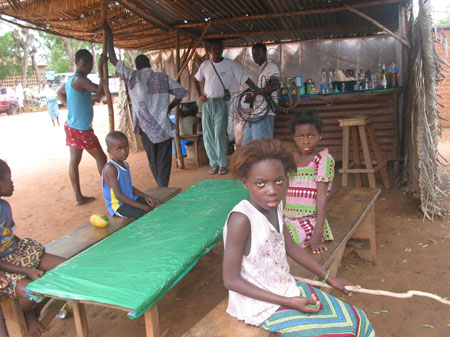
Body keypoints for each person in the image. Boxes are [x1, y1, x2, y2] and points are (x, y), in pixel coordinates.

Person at [223, 138, 375, 336]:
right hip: (259, 305)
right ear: (246, 183)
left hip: (285, 287)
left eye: (279, 181)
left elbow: (291, 246)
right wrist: (289, 302)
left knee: (359, 320)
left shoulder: (275, 206)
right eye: (261, 183)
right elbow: (231, 280)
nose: (272, 191)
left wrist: (329, 278)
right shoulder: (241, 220)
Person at [105, 24, 187, 187]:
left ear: (137, 65)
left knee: (153, 160)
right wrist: (169, 107)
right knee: (164, 160)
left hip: (145, 129)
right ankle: (163, 186)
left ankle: (160, 186)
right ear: (149, 64)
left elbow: (114, 60)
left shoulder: (132, 77)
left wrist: (109, 37)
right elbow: (181, 92)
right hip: (163, 127)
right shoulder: (162, 77)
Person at [0, 159, 66, 337]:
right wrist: (26, 270)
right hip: (2, 268)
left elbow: (9, 235)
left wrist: (28, 253)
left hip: (14, 253)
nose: (12, 182)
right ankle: (29, 313)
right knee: (32, 293)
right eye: (9, 179)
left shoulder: (4, 206)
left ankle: (39, 308)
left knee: (66, 267)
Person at [194, 39, 256, 176]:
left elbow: (244, 78)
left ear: (222, 50)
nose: (216, 51)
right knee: (208, 134)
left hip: (221, 102)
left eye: (219, 49)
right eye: (214, 49)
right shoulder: (205, 65)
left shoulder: (229, 64)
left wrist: (256, 89)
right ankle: (214, 163)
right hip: (206, 104)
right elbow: (195, 79)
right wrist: (200, 95)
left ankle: (222, 164)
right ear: (210, 51)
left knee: (219, 134)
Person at [57, 49, 108, 205]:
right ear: (77, 63)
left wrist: (70, 107)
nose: (87, 66)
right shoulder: (80, 80)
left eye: (90, 63)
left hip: (72, 126)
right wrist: (101, 70)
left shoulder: (73, 80)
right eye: (84, 63)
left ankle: (78, 197)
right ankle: (112, 191)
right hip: (82, 129)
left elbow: (59, 93)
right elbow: (100, 91)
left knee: (74, 161)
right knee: (102, 158)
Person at [283, 110, 334, 254]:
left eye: (311, 135)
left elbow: (322, 196)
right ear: (294, 137)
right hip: (288, 219)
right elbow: (286, 189)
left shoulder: (323, 159)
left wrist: (317, 234)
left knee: (284, 244)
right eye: (300, 136)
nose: (305, 141)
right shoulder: (292, 159)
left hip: (308, 221)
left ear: (320, 135)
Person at [102, 131, 160, 219]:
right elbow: (118, 195)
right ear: (109, 150)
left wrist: (147, 196)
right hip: (119, 206)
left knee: (155, 203)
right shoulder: (111, 169)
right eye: (119, 149)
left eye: (126, 147)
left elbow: (129, 187)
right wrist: (140, 206)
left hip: (130, 199)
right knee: (144, 214)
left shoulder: (125, 164)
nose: (124, 152)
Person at [242, 43, 280, 145]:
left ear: (265, 53)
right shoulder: (263, 69)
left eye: (258, 53)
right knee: (247, 145)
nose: (255, 56)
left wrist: (254, 94)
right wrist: (252, 100)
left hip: (264, 114)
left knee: (262, 147)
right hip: (257, 113)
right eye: (253, 54)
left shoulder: (271, 67)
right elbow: (263, 90)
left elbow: (275, 85)